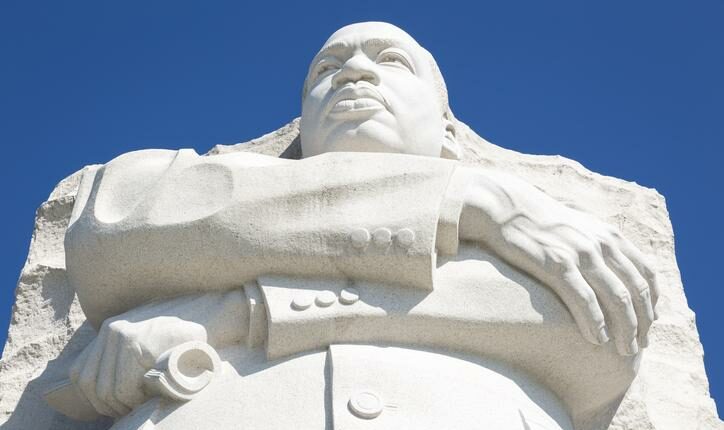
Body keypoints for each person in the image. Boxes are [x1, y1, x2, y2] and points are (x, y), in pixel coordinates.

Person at [62, 22, 658, 428]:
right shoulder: (184, 182)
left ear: (449, 134)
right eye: (327, 67)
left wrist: (230, 314)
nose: (353, 73)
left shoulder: (564, 220)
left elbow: (596, 331)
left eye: (391, 60)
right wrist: (470, 198)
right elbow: (112, 229)